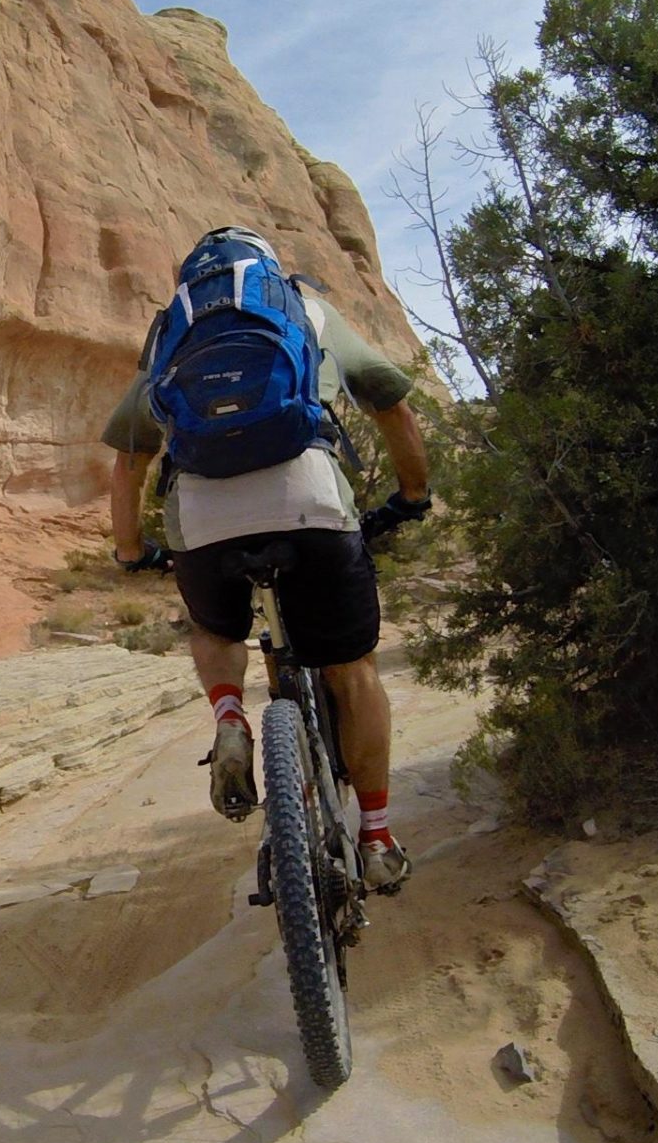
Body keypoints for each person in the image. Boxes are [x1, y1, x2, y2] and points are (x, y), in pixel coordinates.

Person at [100, 226, 433, 891]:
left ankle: (230, 717)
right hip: (309, 501)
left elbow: (129, 464)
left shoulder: (173, 331)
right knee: (351, 667)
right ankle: (375, 835)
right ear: (268, 268)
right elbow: (393, 407)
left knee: (215, 628)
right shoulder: (303, 309)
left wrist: (133, 550)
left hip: (203, 520)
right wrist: (412, 496)